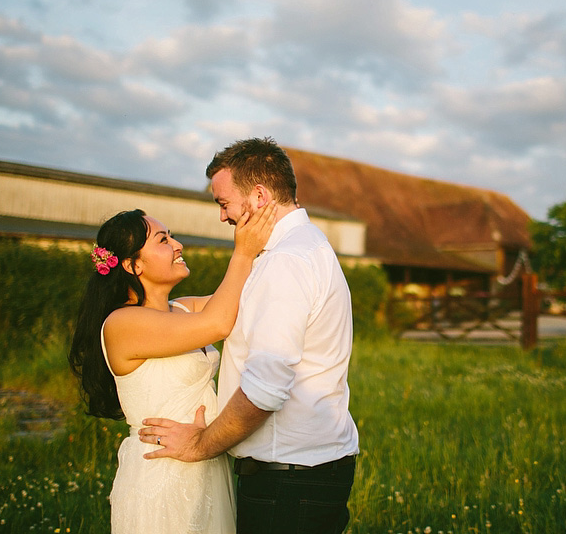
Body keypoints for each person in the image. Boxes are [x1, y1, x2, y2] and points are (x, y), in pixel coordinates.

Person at [138, 137, 359, 534]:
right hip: (305, 473)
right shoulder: (304, 248)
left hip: (288, 480)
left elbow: (266, 390)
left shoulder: (286, 262)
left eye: (224, 204)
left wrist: (199, 445)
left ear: (258, 196)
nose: (222, 217)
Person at [68, 202, 276, 534]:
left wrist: (270, 233)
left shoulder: (182, 308)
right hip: (163, 472)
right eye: (164, 240)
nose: (178, 245)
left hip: (206, 461)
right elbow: (219, 324)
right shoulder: (122, 324)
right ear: (133, 264)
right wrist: (242, 252)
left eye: (172, 237)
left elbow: (249, 294)